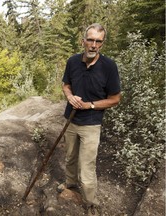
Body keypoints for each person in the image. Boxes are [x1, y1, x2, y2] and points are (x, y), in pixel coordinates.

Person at [60, 23, 121, 216]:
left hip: (91, 124)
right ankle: (70, 184)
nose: (94, 45)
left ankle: (91, 204)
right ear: (83, 41)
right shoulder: (72, 61)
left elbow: (115, 99)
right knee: (70, 157)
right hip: (70, 120)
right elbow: (66, 84)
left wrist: (90, 105)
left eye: (98, 41)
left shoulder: (109, 67)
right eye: (90, 40)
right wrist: (70, 97)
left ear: (102, 44)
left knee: (86, 168)